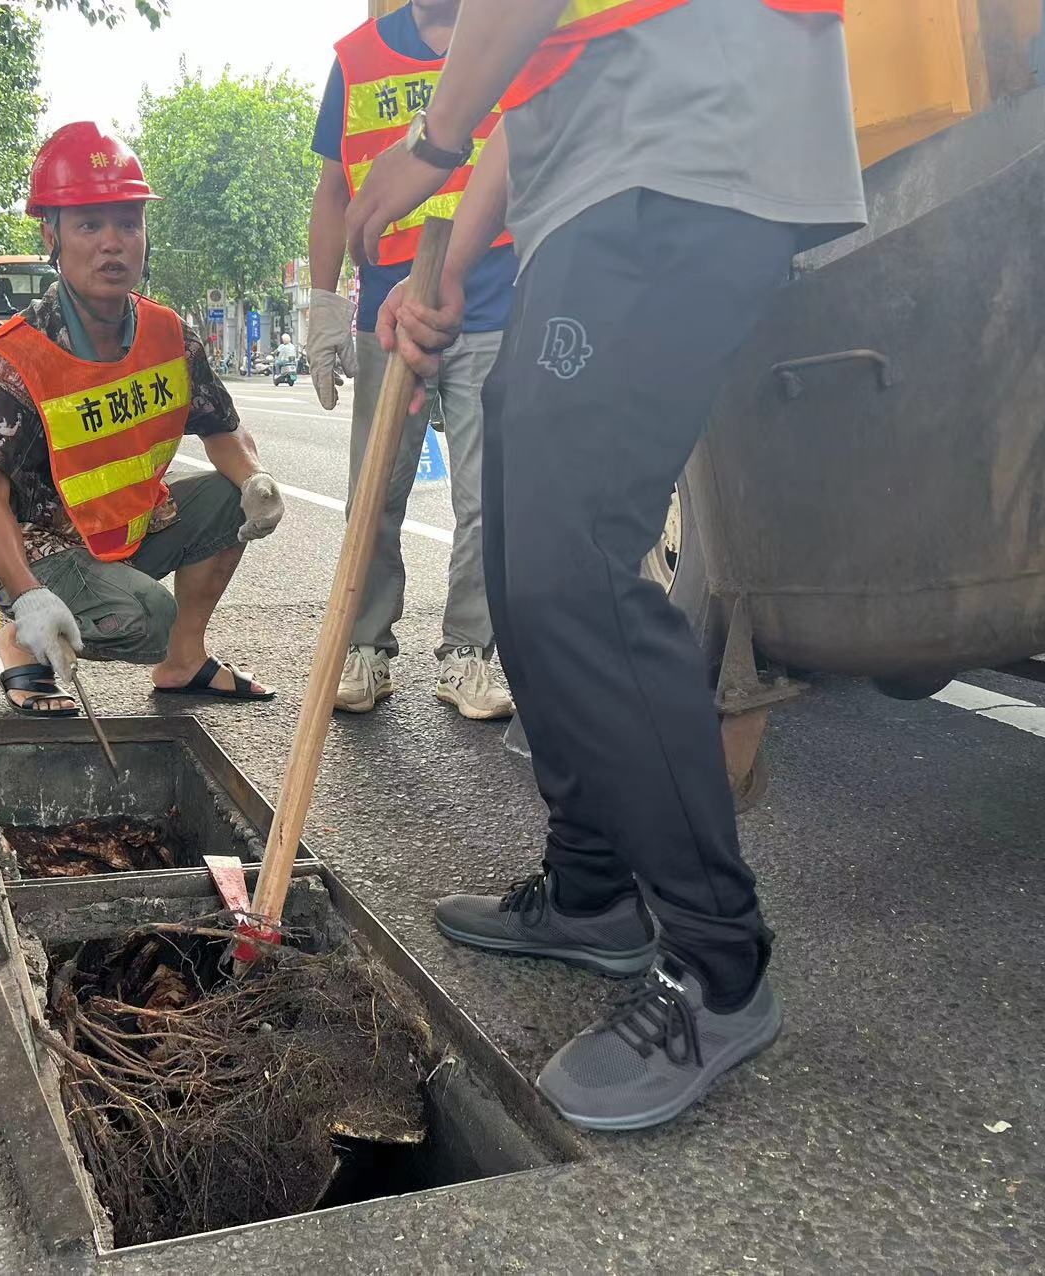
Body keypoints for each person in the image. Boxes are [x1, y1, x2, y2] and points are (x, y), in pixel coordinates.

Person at [346, 0, 865, 1129]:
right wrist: (454, 257)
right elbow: (534, 76)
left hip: (684, 163)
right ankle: (592, 893)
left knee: (562, 571)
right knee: (534, 571)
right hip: (602, 186)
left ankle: (718, 966)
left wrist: (430, 141)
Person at [0, 121, 286, 716]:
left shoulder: (170, 337)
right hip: (36, 549)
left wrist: (255, 478)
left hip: (128, 526)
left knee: (231, 497)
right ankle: (19, 640)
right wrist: (29, 596)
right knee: (148, 619)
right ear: (51, 234)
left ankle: (183, 660)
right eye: (89, 224)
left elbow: (222, 429)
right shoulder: (17, 357)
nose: (113, 242)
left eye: (128, 223)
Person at [309, 0, 517, 721]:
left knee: (488, 494)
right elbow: (334, 191)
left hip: (490, 300)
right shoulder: (357, 57)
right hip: (387, 317)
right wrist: (325, 302)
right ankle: (365, 647)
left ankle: (469, 653)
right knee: (377, 488)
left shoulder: (503, 30)